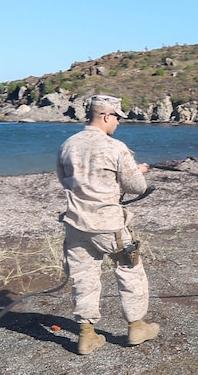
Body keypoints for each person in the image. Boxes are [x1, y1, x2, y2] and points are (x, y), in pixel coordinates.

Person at [56, 94, 160, 355]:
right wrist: (139, 172)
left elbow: (64, 179)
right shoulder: (115, 147)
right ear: (105, 116)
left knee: (83, 277)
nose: (118, 123)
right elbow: (136, 186)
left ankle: (86, 335)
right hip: (109, 225)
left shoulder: (68, 144)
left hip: (76, 224)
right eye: (117, 117)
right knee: (130, 271)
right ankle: (136, 326)